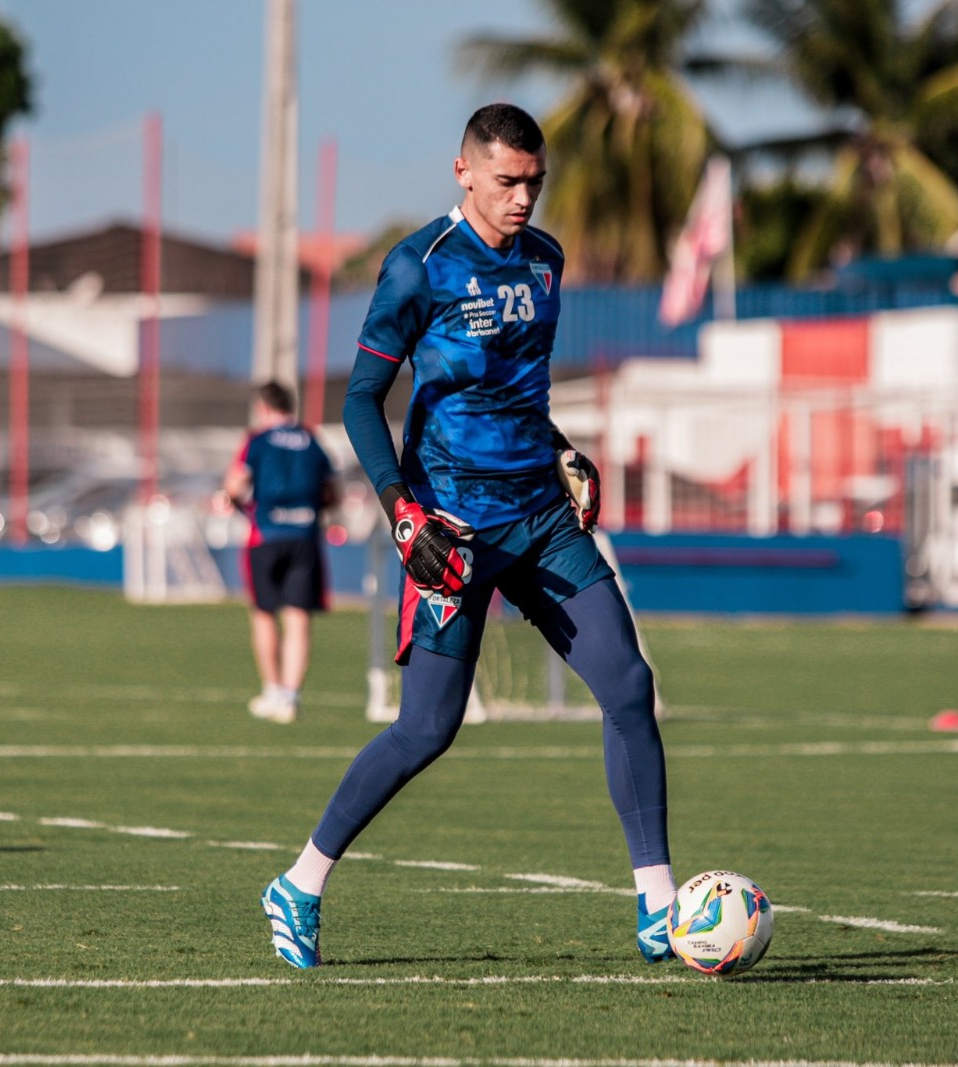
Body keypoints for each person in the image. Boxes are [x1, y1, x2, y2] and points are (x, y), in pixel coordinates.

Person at [260, 104, 673, 969]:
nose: (523, 198)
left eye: (535, 182)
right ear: (465, 172)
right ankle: (299, 882)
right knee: (427, 730)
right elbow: (358, 401)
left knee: (629, 684)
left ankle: (659, 906)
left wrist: (565, 453)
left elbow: (523, 396)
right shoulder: (419, 268)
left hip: (542, 520)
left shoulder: (548, 263)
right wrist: (401, 509)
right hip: (451, 532)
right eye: (507, 180)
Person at [223, 382, 337, 724]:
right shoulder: (312, 440)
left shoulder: (257, 441)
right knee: (299, 616)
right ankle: (290, 696)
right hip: (304, 536)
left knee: (263, 613)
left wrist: (238, 504)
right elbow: (333, 491)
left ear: (263, 406)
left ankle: (272, 689)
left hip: (266, 535)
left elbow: (235, 485)